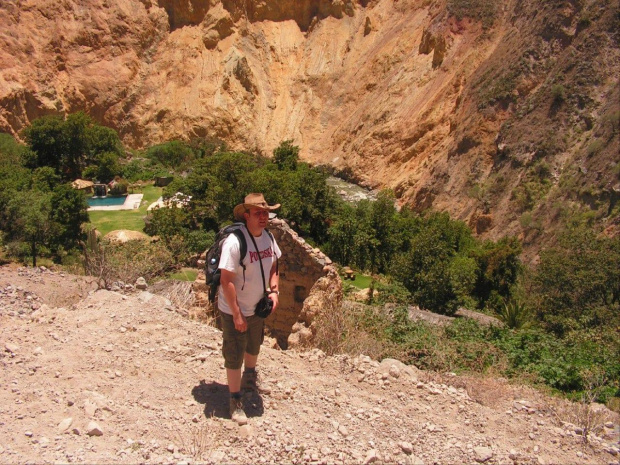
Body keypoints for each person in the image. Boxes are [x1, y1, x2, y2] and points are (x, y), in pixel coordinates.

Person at [218, 193, 282, 424]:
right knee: (235, 352)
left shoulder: (269, 238)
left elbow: (275, 264)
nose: (264, 217)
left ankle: (250, 379)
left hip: (257, 307)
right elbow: (226, 280)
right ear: (246, 216)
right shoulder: (235, 243)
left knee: (254, 345)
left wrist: (274, 291)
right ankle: (235, 399)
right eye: (258, 213)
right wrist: (236, 314)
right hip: (235, 308)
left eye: (266, 212)